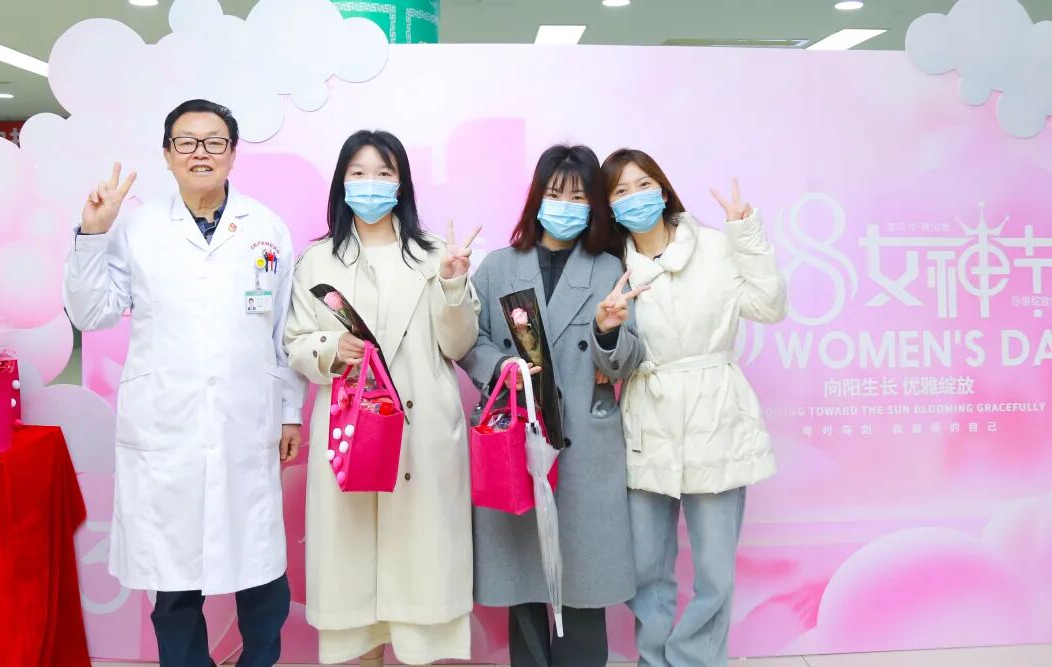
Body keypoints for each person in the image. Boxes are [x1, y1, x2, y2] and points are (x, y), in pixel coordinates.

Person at [63, 99, 306, 667]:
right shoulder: (139, 228)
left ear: (232, 153)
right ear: (168, 154)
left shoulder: (266, 228)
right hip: (166, 426)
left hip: (245, 420)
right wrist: (92, 235)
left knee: (260, 574)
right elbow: (91, 312)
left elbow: (282, 331)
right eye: (187, 142)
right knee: (173, 581)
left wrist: (289, 412)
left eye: (214, 142)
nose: (201, 153)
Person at [284, 130, 480, 666]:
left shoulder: (436, 255)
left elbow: (458, 344)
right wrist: (330, 348)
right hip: (350, 432)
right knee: (354, 581)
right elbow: (296, 342)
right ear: (342, 183)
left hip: (422, 431)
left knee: (421, 578)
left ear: (401, 184)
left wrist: (453, 287)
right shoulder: (317, 260)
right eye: (359, 173)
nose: (371, 184)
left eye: (383, 173)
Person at [457, 144, 646, 667]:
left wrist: (607, 333)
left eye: (579, 196)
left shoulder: (609, 268)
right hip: (517, 438)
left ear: (594, 206)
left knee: (582, 584)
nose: (566, 206)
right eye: (556, 193)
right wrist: (502, 367)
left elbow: (628, 361)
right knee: (524, 583)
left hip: (585, 446)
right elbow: (469, 342)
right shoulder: (498, 267)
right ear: (537, 197)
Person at [600, 148, 787, 667]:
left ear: (663, 189)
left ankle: (693, 660)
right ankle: (653, 659)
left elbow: (770, 306)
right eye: (620, 191)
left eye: (643, 185)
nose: (635, 198)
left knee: (714, 570)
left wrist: (746, 234)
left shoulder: (717, 246)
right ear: (609, 207)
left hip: (716, 414)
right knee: (646, 567)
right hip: (648, 415)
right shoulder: (611, 267)